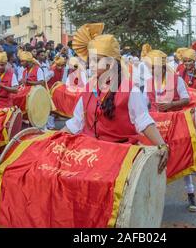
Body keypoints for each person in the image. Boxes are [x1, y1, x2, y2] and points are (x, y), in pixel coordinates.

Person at [61, 24, 171, 211]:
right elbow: (75, 123)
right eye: (91, 60)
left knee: (113, 207)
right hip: (90, 155)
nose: (91, 65)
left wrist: (162, 145)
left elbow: (143, 122)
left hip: (119, 156)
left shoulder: (130, 90)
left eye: (97, 60)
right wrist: (52, 140)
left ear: (111, 63)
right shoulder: (89, 88)